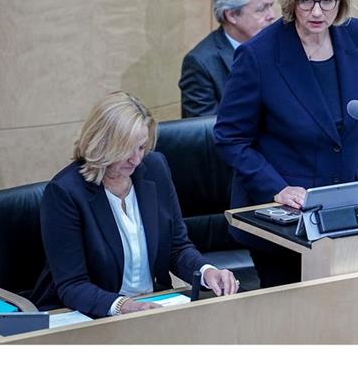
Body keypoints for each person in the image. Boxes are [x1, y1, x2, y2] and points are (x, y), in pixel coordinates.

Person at [214, 0, 358, 285]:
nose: (316, 11)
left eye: (327, 1)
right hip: (285, 220)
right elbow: (230, 138)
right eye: (306, 0)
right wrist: (277, 188)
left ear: (341, 1)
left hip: (347, 209)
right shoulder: (259, 55)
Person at [30, 91, 239, 318]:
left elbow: (177, 248)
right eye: (126, 149)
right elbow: (73, 285)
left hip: (151, 307)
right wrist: (125, 306)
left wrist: (206, 271)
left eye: (141, 147)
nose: (136, 159)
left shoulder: (155, 168)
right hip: (93, 314)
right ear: (102, 144)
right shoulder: (65, 192)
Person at [179, 0, 275, 118]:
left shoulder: (278, 46)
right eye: (262, 9)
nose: (272, 15)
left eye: (271, 6)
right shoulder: (201, 63)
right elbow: (206, 133)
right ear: (231, 15)